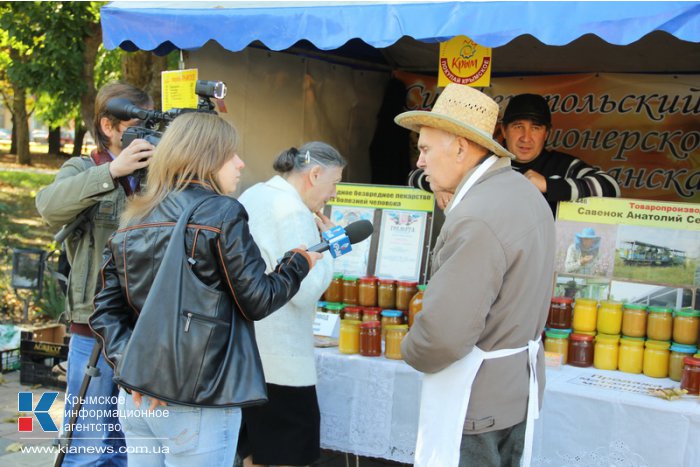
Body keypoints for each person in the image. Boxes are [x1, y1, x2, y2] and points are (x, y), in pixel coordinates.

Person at [89, 112, 321, 466]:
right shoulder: (222, 213)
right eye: (231, 154)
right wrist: (298, 264)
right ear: (206, 157)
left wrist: (135, 368)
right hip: (196, 397)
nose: (241, 163)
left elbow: (105, 310)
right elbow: (257, 299)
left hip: (137, 398)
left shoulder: (136, 215)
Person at [394, 83, 555, 467]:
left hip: (477, 400)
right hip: (517, 389)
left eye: (426, 149)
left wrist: (408, 348)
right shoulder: (521, 191)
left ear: (462, 149)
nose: (420, 162)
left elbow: (443, 338)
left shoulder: (476, 216)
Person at [35, 82, 155, 465]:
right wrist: (113, 172)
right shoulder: (84, 168)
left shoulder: (157, 174)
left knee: (129, 446)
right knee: (87, 445)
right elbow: (48, 206)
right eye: (137, 125)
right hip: (95, 332)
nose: (146, 135)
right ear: (109, 125)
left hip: (144, 332)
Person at [236, 142, 346, 467]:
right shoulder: (293, 210)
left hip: (248, 354)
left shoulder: (254, 194)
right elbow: (305, 290)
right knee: (289, 457)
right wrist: (332, 248)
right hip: (282, 361)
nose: (334, 193)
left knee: (254, 455)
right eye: (335, 183)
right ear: (314, 174)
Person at [501, 93, 621, 216]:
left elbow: (611, 186)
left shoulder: (563, 165)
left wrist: (548, 185)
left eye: (536, 128)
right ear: (504, 131)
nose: (526, 138)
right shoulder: (488, 165)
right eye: (518, 126)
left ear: (546, 134)